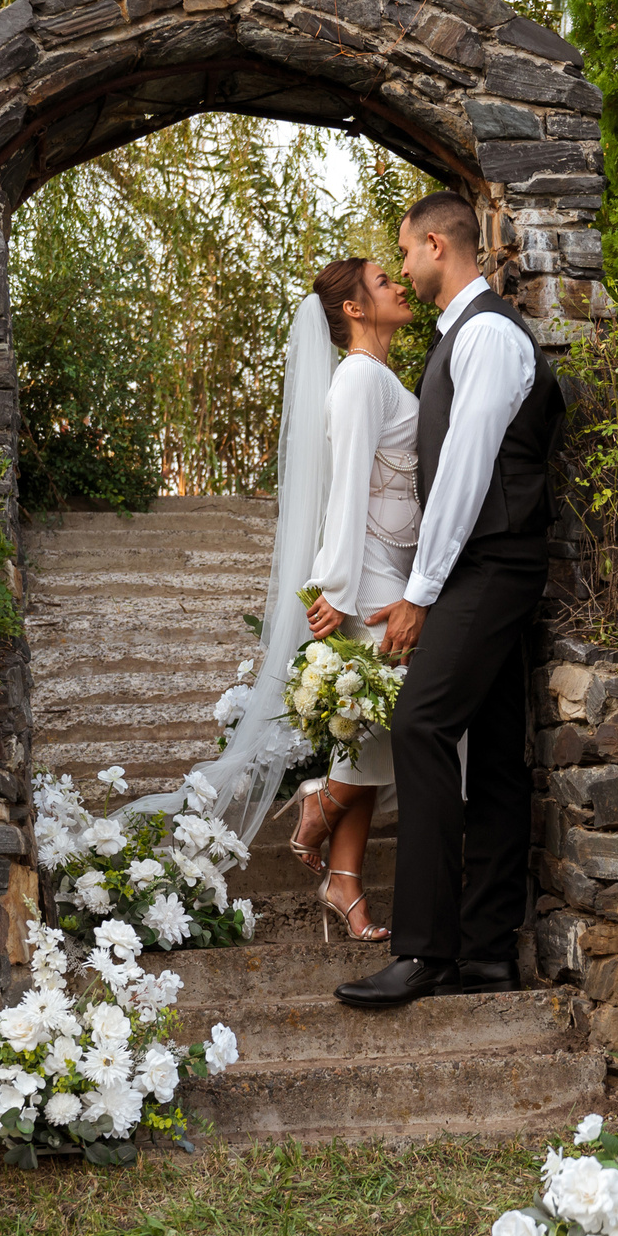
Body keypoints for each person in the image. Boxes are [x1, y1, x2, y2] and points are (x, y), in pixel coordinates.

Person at [331, 191, 567, 1010]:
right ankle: (486, 953)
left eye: (405, 251)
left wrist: (420, 592)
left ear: (438, 244)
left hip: (491, 562)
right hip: (484, 561)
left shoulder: (489, 334)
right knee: (495, 750)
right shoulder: (460, 335)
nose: (402, 267)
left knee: (420, 726)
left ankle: (425, 950)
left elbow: (467, 469)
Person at [280, 255, 421, 942]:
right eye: (383, 281)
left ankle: (344, 883)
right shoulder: (361, 378)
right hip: (367, 580)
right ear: (355, 309)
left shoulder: (376, 376)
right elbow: (346, 489)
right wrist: (334, 588)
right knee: (394, 721)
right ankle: (320, 804)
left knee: (365, 730)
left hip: (387, 566)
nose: (400, 284)